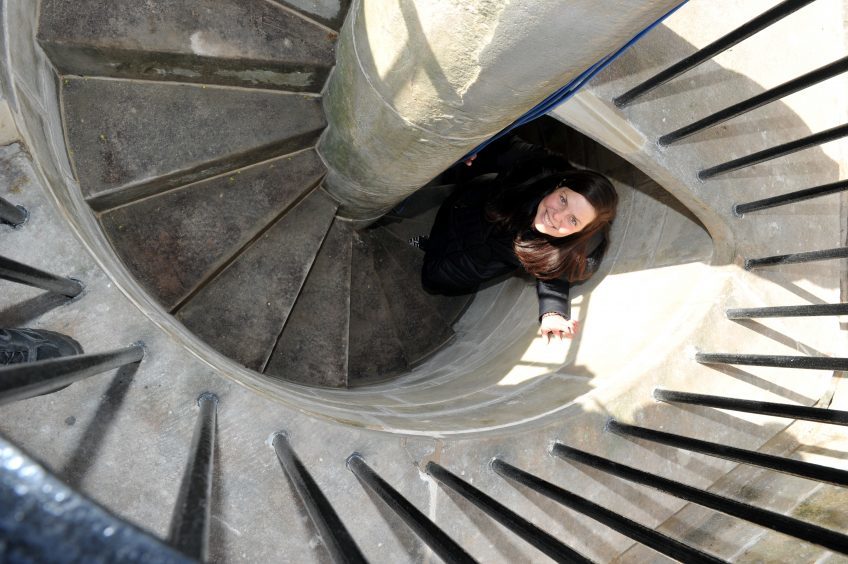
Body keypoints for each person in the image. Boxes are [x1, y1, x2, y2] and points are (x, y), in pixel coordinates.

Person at [418, 137, 618, 342]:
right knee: (436, 234)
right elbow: (501, 146)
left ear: (579, 232)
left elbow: (555, 274)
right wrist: (474, 148)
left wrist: (552, 312)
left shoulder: (568, 250)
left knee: (433, 279)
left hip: (474, 263)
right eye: (563, 199)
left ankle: (422, 245)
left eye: (573, 220)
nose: (557, 216)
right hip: (463, 211)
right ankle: (423, 242)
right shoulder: (535, 168)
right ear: (560, 184)